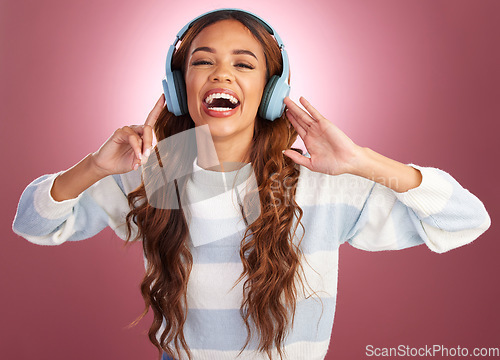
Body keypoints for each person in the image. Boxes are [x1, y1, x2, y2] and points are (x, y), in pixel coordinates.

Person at [12, 8, 490, 360]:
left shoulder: (315, 180)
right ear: (180, 88)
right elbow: (32, 222)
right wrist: (94, 168)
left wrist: (363, 162)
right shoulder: (162, 171)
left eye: (244, 64)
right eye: (203, 62)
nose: (221, 73)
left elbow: (467, 220)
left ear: (270, 91)